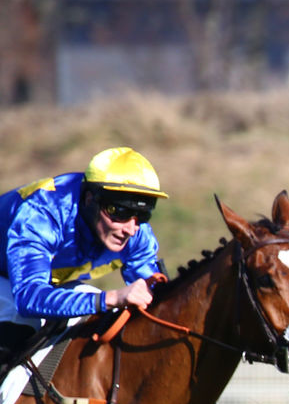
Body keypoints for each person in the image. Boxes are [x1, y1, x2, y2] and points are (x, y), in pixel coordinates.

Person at [0, 146, 168, 367]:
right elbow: (29, 297)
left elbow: (154, 302)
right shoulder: (43, 214)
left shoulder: (137, 234)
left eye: (142, 215)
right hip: (12, 282)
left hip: (45, 281)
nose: (130, 229)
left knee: (93, 306)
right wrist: (112, 298)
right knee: (21, 320)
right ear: (90, 199)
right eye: (120, 212)